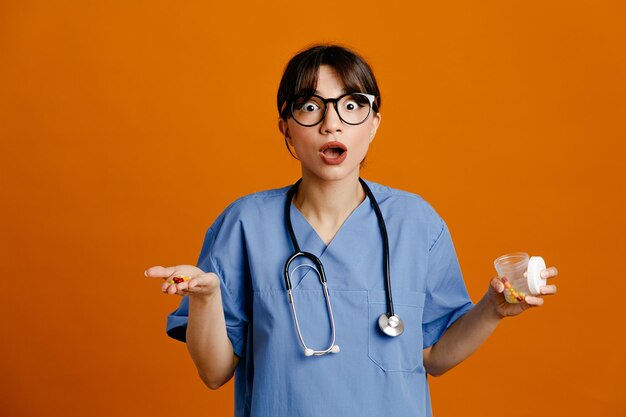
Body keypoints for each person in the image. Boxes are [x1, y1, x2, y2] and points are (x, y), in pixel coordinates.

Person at [145, 44, 558, 417]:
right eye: (310, 106)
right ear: (285, 126)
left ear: (374, 122)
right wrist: (206, 299)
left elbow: (433, 355)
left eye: (352, 105)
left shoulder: (417, 224)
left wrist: (491, 309)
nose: (331, 124)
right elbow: (215, 373)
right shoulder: (244, 225)